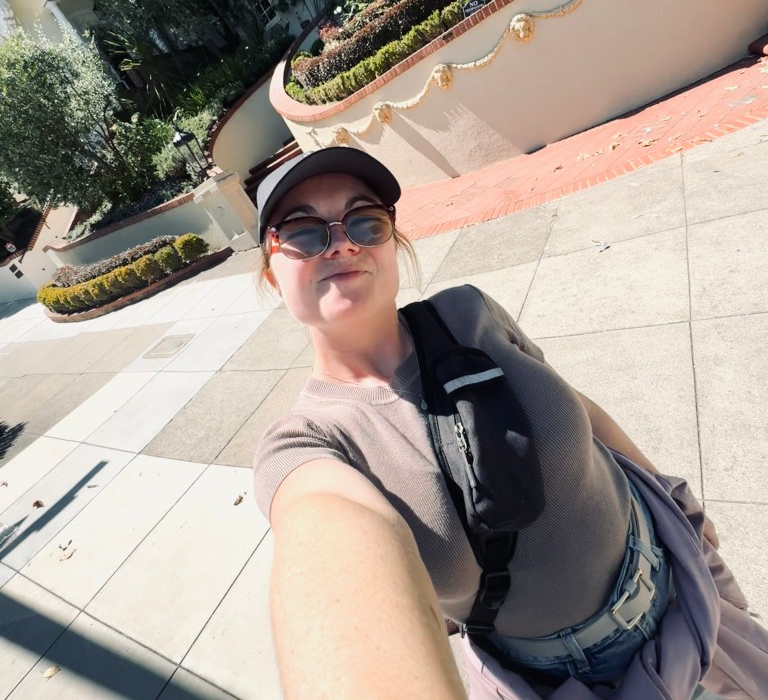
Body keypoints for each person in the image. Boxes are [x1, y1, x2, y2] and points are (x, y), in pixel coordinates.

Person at [252, 147, 768, 700]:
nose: (345, 242)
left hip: (683, 595)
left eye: (366, 220)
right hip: (565, 683)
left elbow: (579, 410)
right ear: (272, 276)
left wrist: (670, 495)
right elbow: (327, 541)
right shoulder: (304, 445)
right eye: (305, 233)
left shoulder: (469, 313)